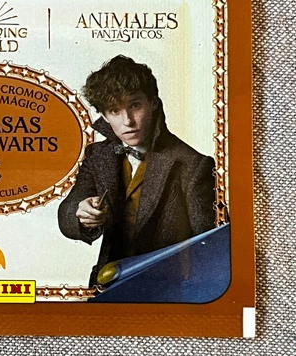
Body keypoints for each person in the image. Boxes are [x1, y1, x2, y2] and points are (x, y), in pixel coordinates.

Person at [58, 55, 216, 287]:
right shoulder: (97, 155)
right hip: (108, 287)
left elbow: (209, 247)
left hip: (168, 292)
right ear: (104, 116)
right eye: (114, 110)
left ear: (153, 103)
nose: (128, 121)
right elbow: (67, 213)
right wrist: (82, 213)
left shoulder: (193, 164)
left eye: (135, 105)